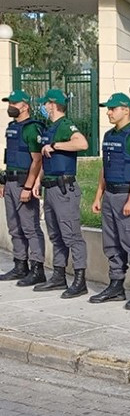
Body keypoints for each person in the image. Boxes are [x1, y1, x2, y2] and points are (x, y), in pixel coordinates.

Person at [89, 92, 130, 309]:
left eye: (112, 109)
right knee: (112, 243)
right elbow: (104, 169)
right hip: (110, 196)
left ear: (126, 110)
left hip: (127, 196)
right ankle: (116, 285)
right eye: (108, 109)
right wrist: (99, 196)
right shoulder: (108, 136)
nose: (108, 112)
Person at [34, 88, 89, 297]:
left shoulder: (65, 125)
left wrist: (56, 145)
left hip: (65, 188)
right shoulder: (50, 127)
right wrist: (38, 181)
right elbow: (44, 158)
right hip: (50, 187)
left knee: (71, 235)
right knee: (55, 234)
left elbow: (81, 143)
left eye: (46, 104)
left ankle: (80, 279)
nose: (44, 108)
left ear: (53, 104)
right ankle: (58, 275)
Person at [0, 89, 46, 286]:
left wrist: (29, 186)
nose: (10, 106)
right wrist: (3, 182)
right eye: (9, 102)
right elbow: (8, 155)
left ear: (25, 106)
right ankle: (20, 265)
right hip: (10, 181)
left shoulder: (32, 128)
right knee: (14, 226)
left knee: (30, 227)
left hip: (23, 183)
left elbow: (37, 160)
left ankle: (37, 269)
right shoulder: (11, 127)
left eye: (14, 103)